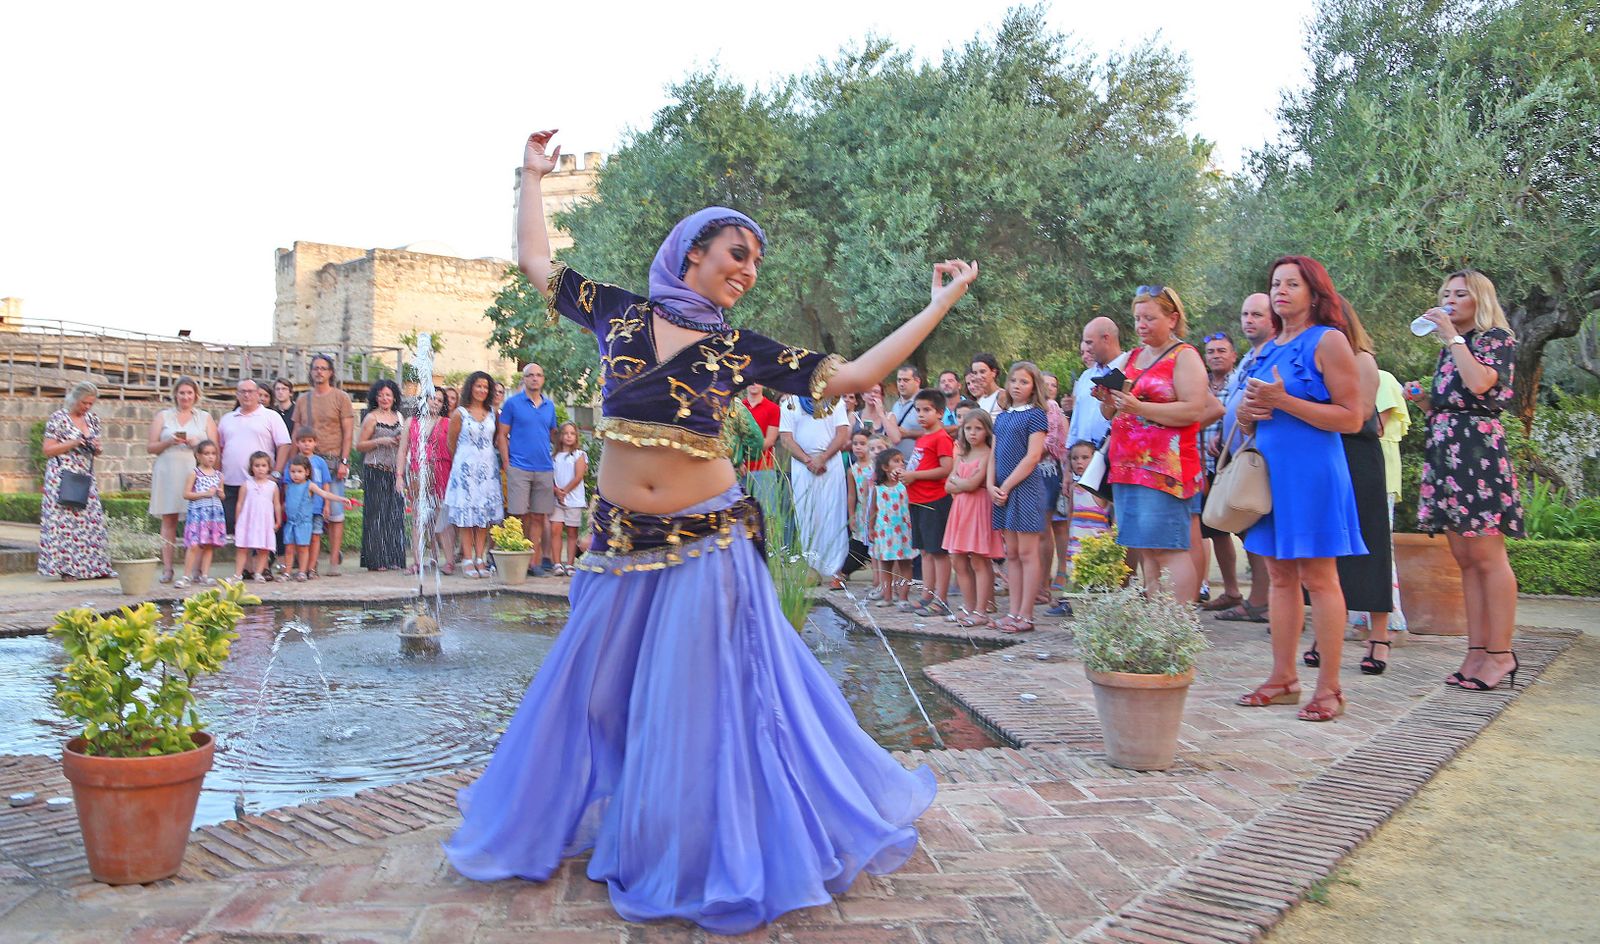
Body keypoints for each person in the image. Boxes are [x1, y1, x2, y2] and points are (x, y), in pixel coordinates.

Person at [444, 130, 973, 934]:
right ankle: (620, 818)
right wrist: (528, 177)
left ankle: (698, 846)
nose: (747, 270)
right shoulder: (616, 313)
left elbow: (858, 377)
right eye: (736, 252)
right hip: (619, 544)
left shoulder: (742, 349)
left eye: (755, 261)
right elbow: (536, 266)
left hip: (706, 541)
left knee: (699, 703)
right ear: (691, 253)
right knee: (592, 694)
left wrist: (939, 303)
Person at [1235, 257, 1366, 723]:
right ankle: (1283, 679)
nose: (1281, 291)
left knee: (1319, 576)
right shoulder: (1269, 346)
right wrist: (1251, 413)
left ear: (1315, 292)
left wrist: (1282, 400)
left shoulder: (1329, 340)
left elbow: (1352, 417)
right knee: (1279, 575)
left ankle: (1330, 688)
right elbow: (1253, 412)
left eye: (1292, 283)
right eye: (1275, 283)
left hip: (1312, 473)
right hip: (1271, 474)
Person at [1406, 268, 1523, 692]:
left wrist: (1452, 338)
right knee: (1467, 561)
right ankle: (1476, 651)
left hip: (1479, 457)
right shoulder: (1452, 347)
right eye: (1446, 294)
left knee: (1489, 559)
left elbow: (1480, 383)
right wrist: (1422, 399)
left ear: (1479, 300)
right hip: (1448, 457)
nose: (1450, 300)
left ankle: (1501, 654)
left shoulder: (1495, 340)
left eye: (1460, 294)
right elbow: (1448, 404)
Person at [1096, 286, 1215, 603]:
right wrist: (1107, 400)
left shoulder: (1184, 356)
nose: (1141, 325)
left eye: (1150, 318)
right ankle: (1156, 628)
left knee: (1168, 551)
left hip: (1164, 471)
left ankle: (1177, 628)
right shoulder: (1133, 357)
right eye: (1137, 318)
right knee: (1147, 552)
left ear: (1173, 318)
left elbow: (1193, 409)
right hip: (1127, 468)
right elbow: (1112, 411)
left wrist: (1141, 408)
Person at [1323, 301, 1395, 674]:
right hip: (1325, 455)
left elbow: (1360, 415)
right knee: (1327, 547)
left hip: (1358, 457)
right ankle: (1325, 632)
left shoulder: (1362, 360)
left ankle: (1378, 636)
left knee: (1371, 543)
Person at [1212, 294, 1277, 623]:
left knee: (1264, 528)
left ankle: (1268, 602)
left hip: (1264, 458)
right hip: (1239, 453)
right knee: (1251, 529)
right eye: (1244, 314)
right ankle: (1259, 599)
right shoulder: (1252, 356)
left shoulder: (1276, 352)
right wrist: (1224, 437)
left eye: (1257, 314)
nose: (1249, 320)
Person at [989, 362, 1051, 633]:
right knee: (1011, 553)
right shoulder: (1002, 417)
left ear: (1033, 385)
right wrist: (991, 485)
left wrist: (1008, 484)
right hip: (1001, 489)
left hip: (1024, 488)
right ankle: (1013, 612)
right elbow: (993, 454)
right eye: (1013, 380)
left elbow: (1033, 456)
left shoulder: (1037, 415)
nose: (1016, 386)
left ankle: (1027, 615)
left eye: (1023, 382)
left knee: (1027, 553)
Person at [1349, 366, 1410, 638]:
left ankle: (1393, 622)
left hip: (1378, 474)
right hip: (1354, 474)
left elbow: (1375, 424)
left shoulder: (1382, 378)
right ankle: (1359, 620)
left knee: (1379, 548)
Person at [146, 376, 217, 583]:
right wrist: (168, 441)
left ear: (195, 395)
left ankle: (195, 570)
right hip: (168, 470)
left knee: (197, 522)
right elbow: (150, 447)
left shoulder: (204, 418)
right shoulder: (163, 416)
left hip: (195, 472)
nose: (185, 397)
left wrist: (197, 444)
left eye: (189, 393)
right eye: (182, 393)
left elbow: (215, 449)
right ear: (175, 394)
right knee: (169, 520)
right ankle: (167, 569)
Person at [38, 381, 112, 580]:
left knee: (90, 521)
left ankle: (95, 567)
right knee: (65, 523)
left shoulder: (93, 420)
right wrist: (73, 442)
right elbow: (48, 449)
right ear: (74, 399)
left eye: (90, 404)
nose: (86, 407)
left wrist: (96, 447)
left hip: (84, 475)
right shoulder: (58, 418)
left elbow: (98, 447)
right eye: (83, 403)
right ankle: (67, 569)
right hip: (62, 476)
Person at [892, 388, 954, 616]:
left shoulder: (941, 438)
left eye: (926, 410)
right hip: (917, 500)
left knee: (938, 552)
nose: (920, 414)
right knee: (925, 552)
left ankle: (942, 599)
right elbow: (920, 466)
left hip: (935, 501)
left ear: (940, 413)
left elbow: (946, 469)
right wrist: (905, 473)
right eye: (918, 410)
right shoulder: (923, 438)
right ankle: (927, 595)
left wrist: (915, 476)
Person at [291, 354, 355, 575]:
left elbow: (348, 433)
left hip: (332, 461)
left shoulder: (341, 398)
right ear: (310, 371)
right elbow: (296, 434)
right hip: (306, 463)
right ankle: (310, 562)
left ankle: (334, 561)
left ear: (330, 372)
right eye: (315, 368)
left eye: (323, 368)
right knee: (307, 512)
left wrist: (344, 461)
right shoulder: (302, 400)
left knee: (335, 513)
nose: (319, 371)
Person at [779, 391, 850, 585]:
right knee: (807, 515)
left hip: (830, 464)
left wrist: (823, 458)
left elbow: (842, 433)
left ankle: (836, 570)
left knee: (833, 512)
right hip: (803, 466)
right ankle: (812, 569)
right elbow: (786, 438)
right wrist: (807, 460)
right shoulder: (791, 402)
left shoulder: (835, 401)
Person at [497, 362, 559, 575]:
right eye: (530, 375)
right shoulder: (512, 404)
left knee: (539, 517)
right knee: (517, 516)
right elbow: (502, 435)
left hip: (543, 468)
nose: (535, 378)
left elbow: (553, 434)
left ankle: (533, 562)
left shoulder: (549, 406)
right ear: (523, 379)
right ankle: (516, 559)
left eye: (539, 375)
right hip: (519, 467)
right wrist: (507, 463)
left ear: (543, 379)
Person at [944, 409, 1004, 626]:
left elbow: (969, 484)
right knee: (958, 559)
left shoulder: (988, 454)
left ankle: (982, 609)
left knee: (979, 559)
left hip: (979, 508)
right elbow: (947, 484)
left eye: (978, 428)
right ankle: (968, 607)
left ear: (987, 430)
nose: (972, 433)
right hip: (960, 510)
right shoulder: (962, 455)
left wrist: (960, 483)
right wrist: (961, 484)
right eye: (968, 428)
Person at [1197, 332, 1242, 611]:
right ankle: (1232, 591)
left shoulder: (1240, 382)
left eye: (1222, 351)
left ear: (1233, 355)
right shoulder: (1199, 385)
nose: (1216, 355)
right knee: (1215, 532)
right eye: (1211, 351)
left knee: (1248, 531)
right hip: (1202, 469)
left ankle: (1263, 596)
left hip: (1234, 467)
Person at [446, 371, 504, 578]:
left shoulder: (493, 414)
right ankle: (468, 559)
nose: (482, 390)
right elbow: (451, 443)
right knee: (466, 517)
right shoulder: (459, 413)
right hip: (465, 471)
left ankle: (481, 558)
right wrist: (464, 462)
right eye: (478, 386)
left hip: (487, 470)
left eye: (485, 387)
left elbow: (495, 440)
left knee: (483, 517)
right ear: (471, 387)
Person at [400, 389, 456, 575]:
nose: (435, 402)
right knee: (418, 517)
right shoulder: (411, 423)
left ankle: (449, 561)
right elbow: (402, 451)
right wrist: (399, 476)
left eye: (440, 400)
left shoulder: (448, 423)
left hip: (443, 471)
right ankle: (417, 561)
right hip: (418, 471)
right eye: (432, 398)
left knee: (443, 518)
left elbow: (455, 451)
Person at [356, 378, 408, 572]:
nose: (385, 398)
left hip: (395, 472)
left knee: (394, 515)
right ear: (375, 397)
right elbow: (359, 445)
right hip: (375, 470)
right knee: (375, 515)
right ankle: (376, 560)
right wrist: (382, 440)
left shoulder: (400, 417)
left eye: (388, 395)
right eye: (381, 395)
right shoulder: (371, 417)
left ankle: (394, 557)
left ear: (394, 397)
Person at [283, 455, 355, 581]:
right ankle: (287, 572)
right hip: (291, 523)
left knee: (303, 548)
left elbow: (324, 493)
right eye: (293, 472)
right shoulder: (290, 486)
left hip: (304, 523)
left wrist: (341, 499)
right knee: (289, 548)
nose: (295, 475)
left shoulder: (310, 485)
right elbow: (286, 504)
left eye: (299, 471)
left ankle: (302, 571)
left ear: (307, 472)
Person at [284, 427, 335, 579]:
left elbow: (326, 484)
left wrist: (327, 504)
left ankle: (311, 569)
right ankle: (300, 569)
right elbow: (287, 486)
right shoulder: (292, 463)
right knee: (297, 540)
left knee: (314, 537)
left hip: (316, 508)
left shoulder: (320, 462)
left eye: (310, 441)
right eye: (303, 441)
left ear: (315, 443)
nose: (306, 444)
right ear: (297, 443)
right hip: (299, 512)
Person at [869, 447, 915, 607]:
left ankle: (903, 598)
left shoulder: (905, 485)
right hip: (884, 532)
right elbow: (873, 510)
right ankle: (887, 597)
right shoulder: (878, 489)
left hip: (903, 531)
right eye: (896, 461)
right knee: (885, 565)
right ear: (885, 467)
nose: (901, 463)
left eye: (902, 461)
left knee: (905, 565)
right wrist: (870, 529)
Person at [1069, 317, 1125, 448]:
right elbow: (1077, 417)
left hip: (1113, 452)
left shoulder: (1129, 368)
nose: (1087, 349)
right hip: (1083, 458)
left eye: (1089, 343)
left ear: (1106, 338)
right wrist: (1070, 448)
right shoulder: (1086, 376)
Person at [178, 439, 225, 588]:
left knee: (209, 545)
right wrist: (205, 494)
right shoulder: (195, 473)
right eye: (206, 454)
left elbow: (222, 496)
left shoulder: (219, 475)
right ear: (198, 456)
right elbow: (186, 494)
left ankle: (205, 575)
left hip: (213, 513)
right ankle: (186, 576)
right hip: (199, 513)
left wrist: (220, 493)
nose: (210, 457)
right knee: (194, 545)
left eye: (213, 454)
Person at [232, 451, 282, 582]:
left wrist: (278, 520)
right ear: (251, 467)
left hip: (265, 521)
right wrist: (238, 521)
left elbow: (276, 504)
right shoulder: (246, 484)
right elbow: (239, 503)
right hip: (248, 520)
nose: (260, 468)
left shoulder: (273, 486)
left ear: (268, 467)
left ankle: (259, 573)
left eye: (263, 465)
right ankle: (238, 574)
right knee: (243, 547)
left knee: (264, 548)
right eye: (257, 465)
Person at [1064, 441, 1112, 575]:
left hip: (1097, 542)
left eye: (1085, 458)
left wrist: (1111, 533)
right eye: (1075, 458)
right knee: (1078, 577)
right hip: (1077, 542)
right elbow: (1070, 513)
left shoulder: (1101, 488)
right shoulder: (1074, 488)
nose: (1079, 462)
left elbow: (1115, 513)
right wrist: (1070, 533)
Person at [550, 421, 588, 576]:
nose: (569, 436)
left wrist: (564, 491)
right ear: (560, 436)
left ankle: (570, 563)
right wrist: (556, 491)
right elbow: (550, 477)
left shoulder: (579, 455)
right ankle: (557, 563)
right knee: (555, 530)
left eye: (572, 433)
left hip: (573, 499)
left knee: (572, 532)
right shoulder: (554, 456)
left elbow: (578, 476)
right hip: (556, 500)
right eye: (565, 433)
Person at [872, 364, 929, 459]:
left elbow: (938, 430)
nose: (901, 384)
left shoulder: (926, 401)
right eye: (899, 380)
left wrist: (909, 433)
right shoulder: (896, 405)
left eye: (906, 380)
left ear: (917, 381)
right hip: (897, 464)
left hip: (920, 464)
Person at [843, 430, 875, 580]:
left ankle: (882, 579)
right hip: (861, 512)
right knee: (858, 544)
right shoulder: (852, 470)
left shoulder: (876, 466)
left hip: (878, 511)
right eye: (855, 444)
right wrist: (851, 515)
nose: (858, 447)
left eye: (862, 443)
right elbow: (852, 494)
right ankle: (844, 572)